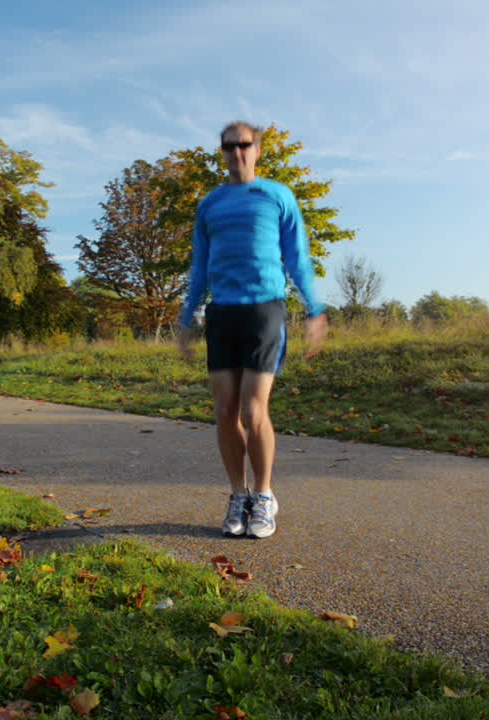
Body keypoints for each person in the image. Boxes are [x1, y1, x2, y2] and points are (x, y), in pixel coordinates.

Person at [176, 121, 328, 539]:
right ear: (221, 152)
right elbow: (200, 264)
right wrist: (188, 313)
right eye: (228, 147)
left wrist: (315, 309)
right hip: (222, 312)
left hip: (265, 311)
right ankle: (237, 495)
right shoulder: (210, 204)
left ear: (257, 150)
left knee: (252, 409)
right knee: (225, 411)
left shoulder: (278, 195)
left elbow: (298, 256)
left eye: (244, 145)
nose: (236, 153)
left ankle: (263, 495)